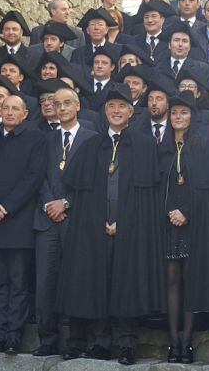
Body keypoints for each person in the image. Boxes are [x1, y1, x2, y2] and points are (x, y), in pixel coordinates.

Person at [57, 84, 164, 365]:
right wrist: (101, 222)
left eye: (122, 107)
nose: (116, 111)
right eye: (111, 107)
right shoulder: (90, 145)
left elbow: (147, 196)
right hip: (93, 229)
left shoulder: (144, 146)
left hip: (130, 229)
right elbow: (78, 190)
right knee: (92, 282)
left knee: (127, 284)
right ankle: (100, 341)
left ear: (131, 112)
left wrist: (122, 224)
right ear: (105, 112)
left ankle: (127, 344)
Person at [0, 95, 47, 354]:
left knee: (18, 283)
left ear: (25, 113)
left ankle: (14, 335)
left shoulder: (36, 139)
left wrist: (7, 206)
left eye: (15, 108)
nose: (9, 112)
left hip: (19, 221)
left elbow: (33, 178)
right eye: (5, 108)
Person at [157, 91, 209, 364]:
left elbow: (208, 187)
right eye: (174, 113)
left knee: (191, 279)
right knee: (171, 280)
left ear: (192, 117)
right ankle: (173, 342)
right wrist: (170, 212)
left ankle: (187, 341)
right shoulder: (162, 147)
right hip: (168, 222)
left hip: (194, 221)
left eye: (184, 113)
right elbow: (157, 186)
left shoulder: (205, 145)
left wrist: (186, 212)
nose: (178, 117)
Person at [32, 87, 98, 356]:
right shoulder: (44, 139)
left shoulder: (92, 139)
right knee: (45, 282)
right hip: (46, 219)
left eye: (66, 103)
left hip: (78, 219)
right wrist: (50, 203)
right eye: (56, 104)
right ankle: (47, 340)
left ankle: (77, 340)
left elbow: (93, 180)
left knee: (77, 280)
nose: (61, 108)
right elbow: (39, 176)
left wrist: (66, 203)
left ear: (78, 106)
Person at [156, 21, 209, 92]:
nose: (180, 44)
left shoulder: (202, 69)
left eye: (184, 41)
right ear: (169, 45)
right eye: (176, 40)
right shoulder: (157, 69)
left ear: (190, 47)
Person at [120, 0, 176, 64]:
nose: (149, 20)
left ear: (162, 19)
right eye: (146, 17)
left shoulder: (171, 41)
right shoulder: (133, 42)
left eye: (154, 16)